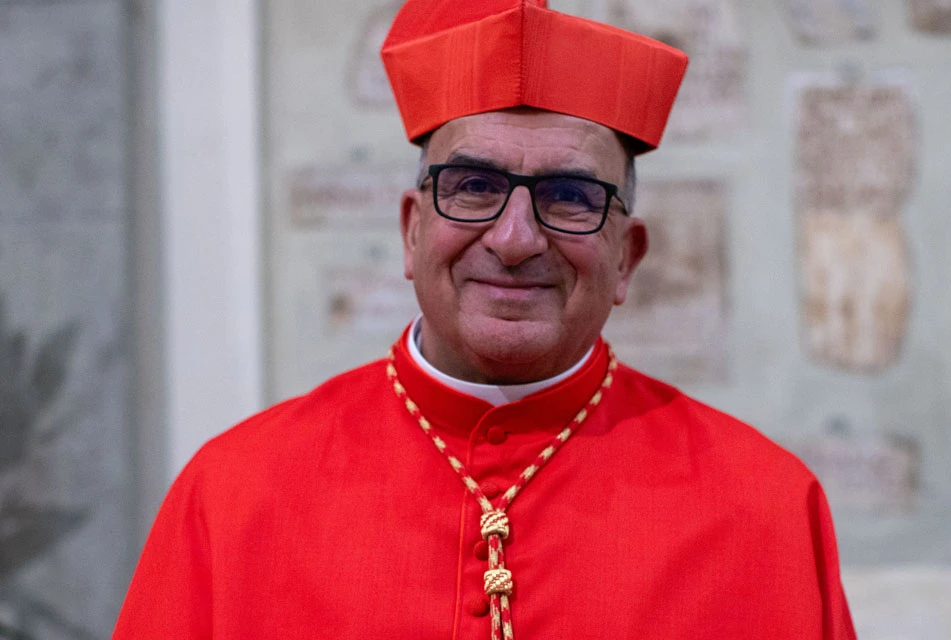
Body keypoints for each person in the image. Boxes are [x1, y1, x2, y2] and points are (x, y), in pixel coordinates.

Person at [113, 1, 857, 638]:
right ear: (411, 230)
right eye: (473, 186)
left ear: (627, 256)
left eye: (569, 196)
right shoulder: (237, 494)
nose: (514, 238)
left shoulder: (762, 508)